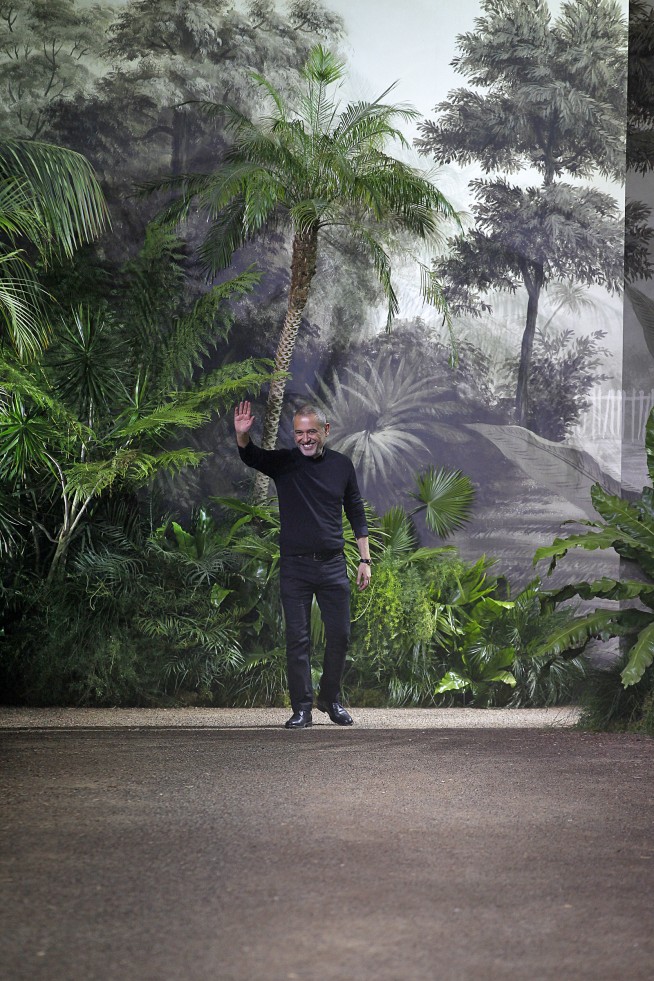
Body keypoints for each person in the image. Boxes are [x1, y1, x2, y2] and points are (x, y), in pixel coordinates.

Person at [234, 400, 371, 729]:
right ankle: (302, 709)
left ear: (326, 430)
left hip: (333, 565)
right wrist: (242, 435)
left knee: (340, 636)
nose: (305, 439)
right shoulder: (285, 463)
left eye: (311, 432)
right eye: (299, 433)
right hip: (295, 567)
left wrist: (365, 559)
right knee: (297, 640)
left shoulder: (341, 466)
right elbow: (252, 456)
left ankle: (330, 700)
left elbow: (355, 511)